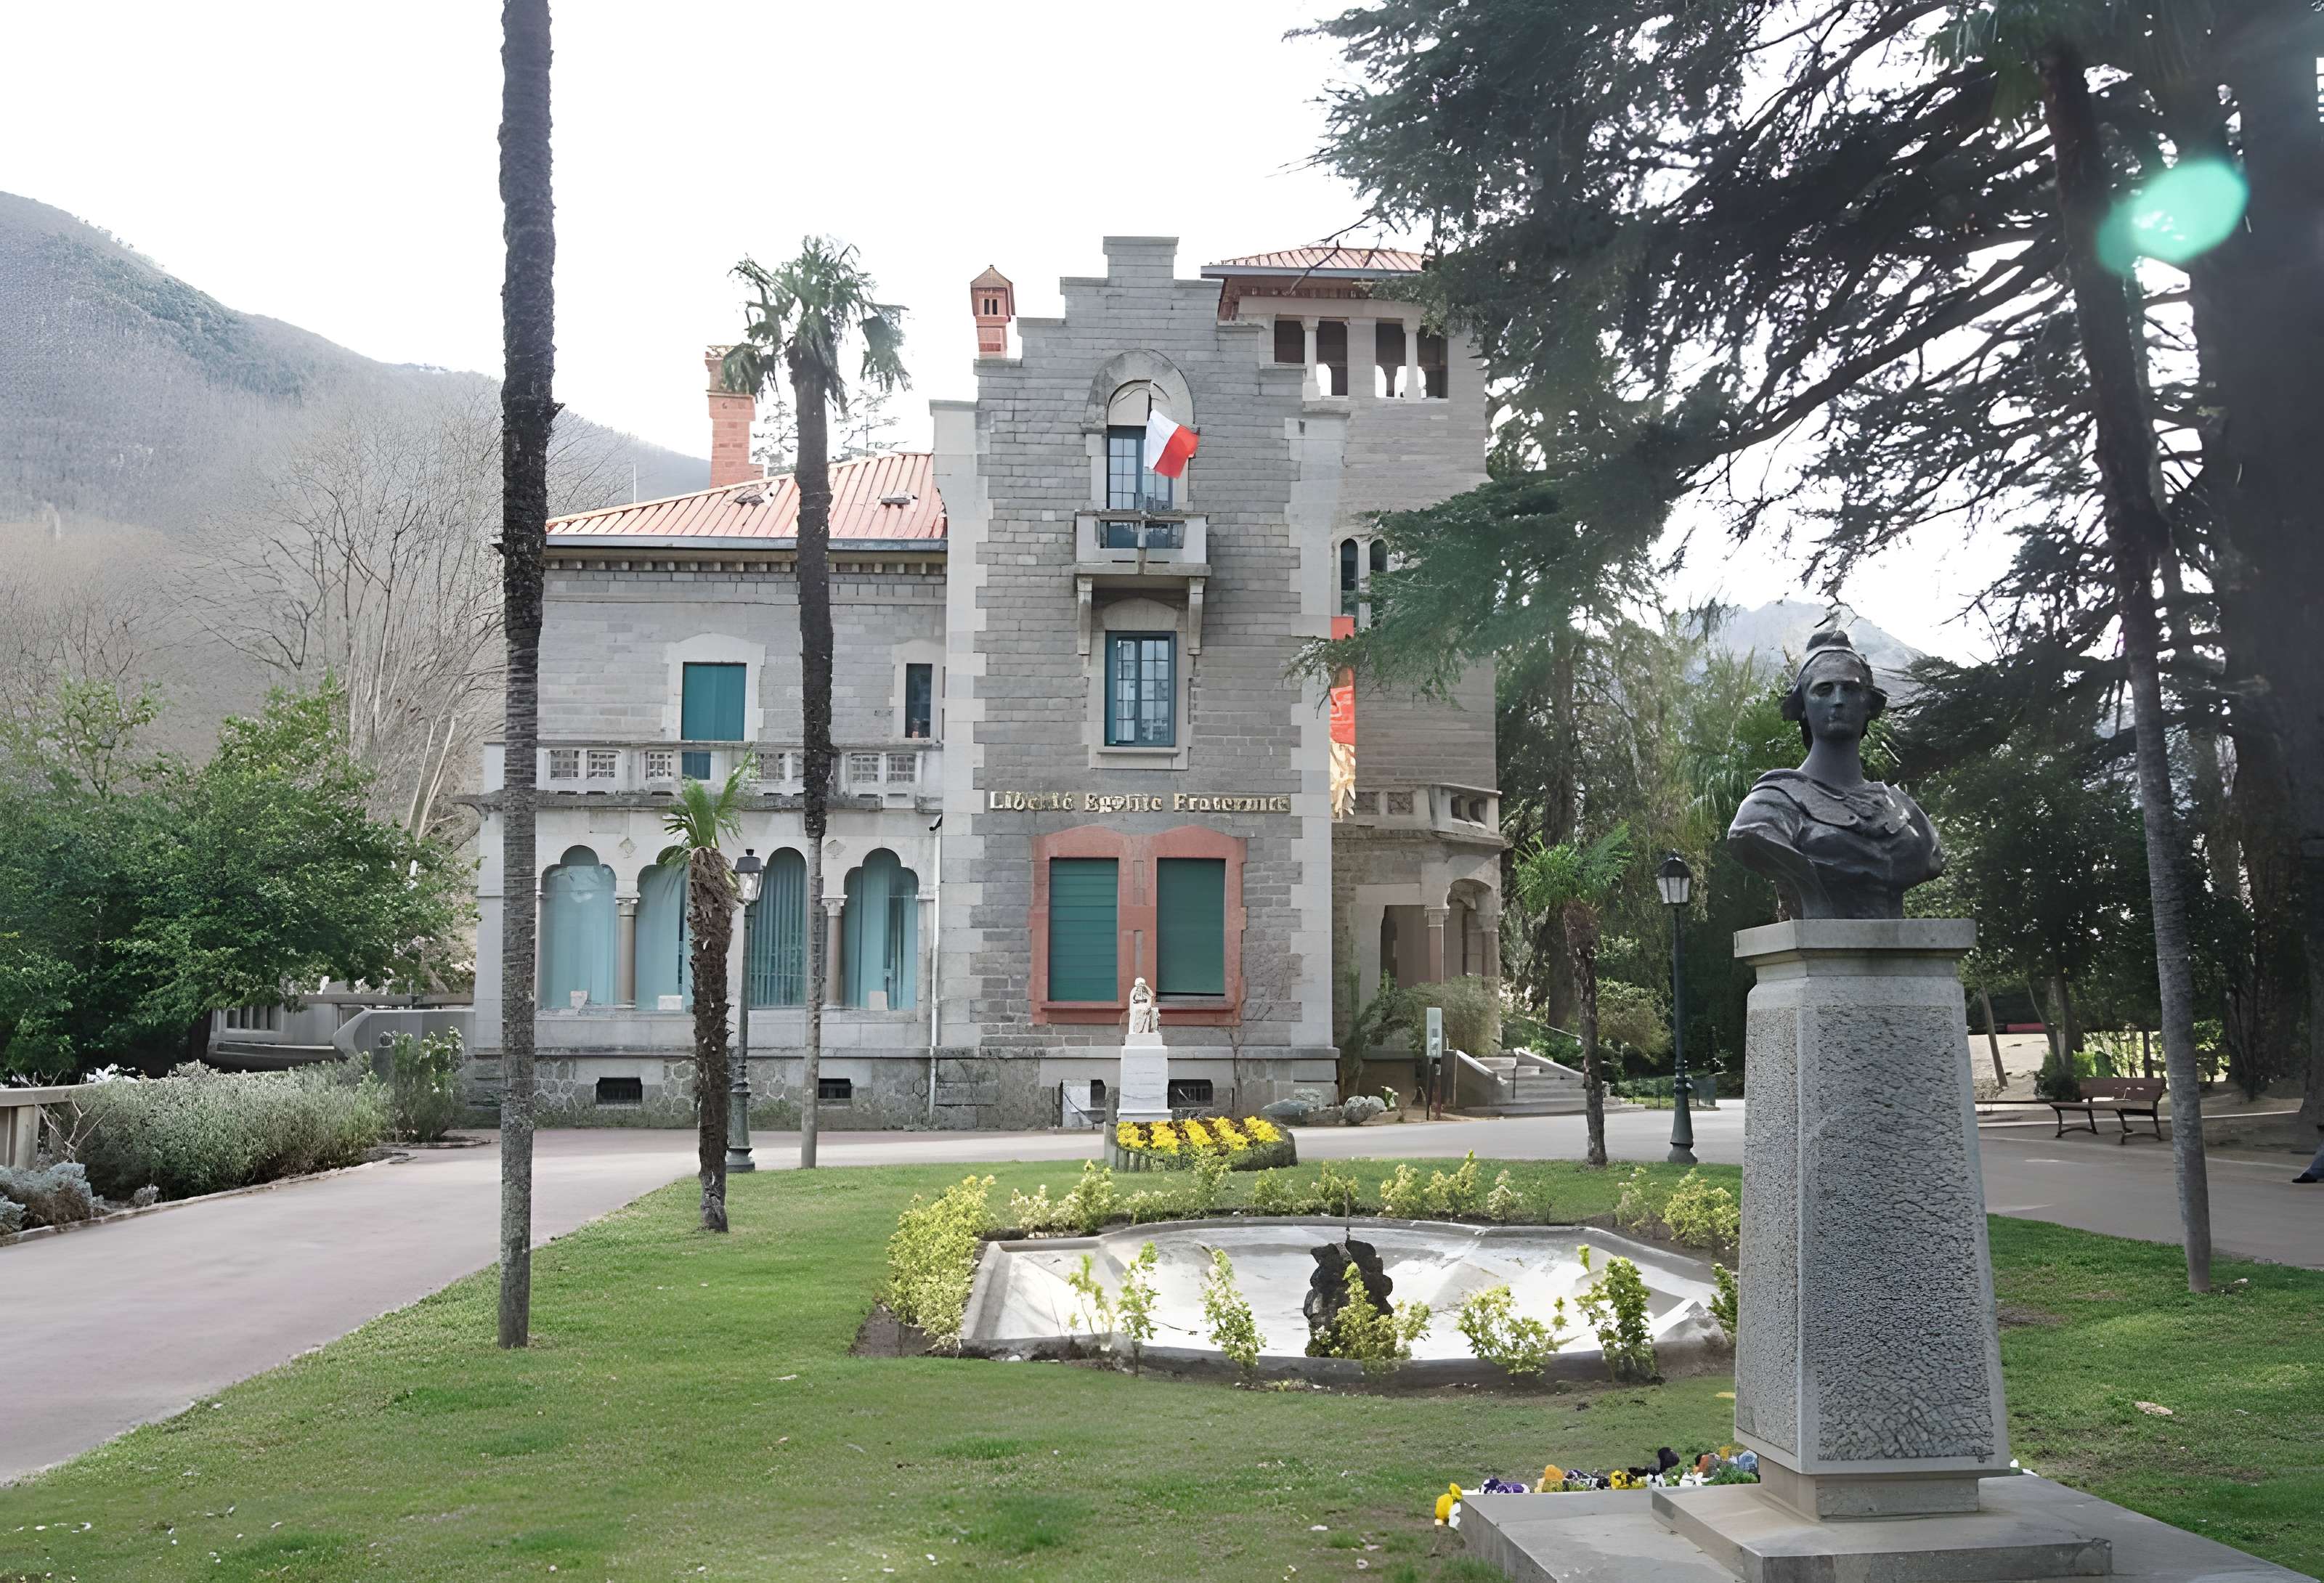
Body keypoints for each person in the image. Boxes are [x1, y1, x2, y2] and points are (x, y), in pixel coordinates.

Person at [1726, 629, 1942, 919]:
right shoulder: (1768, 808)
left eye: (1850, 689)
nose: (1838, 700)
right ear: (1803, 707)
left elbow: (1931, 861)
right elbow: (1751, 838)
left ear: (1869, 704)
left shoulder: (1906, 812)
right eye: (1824, 690)